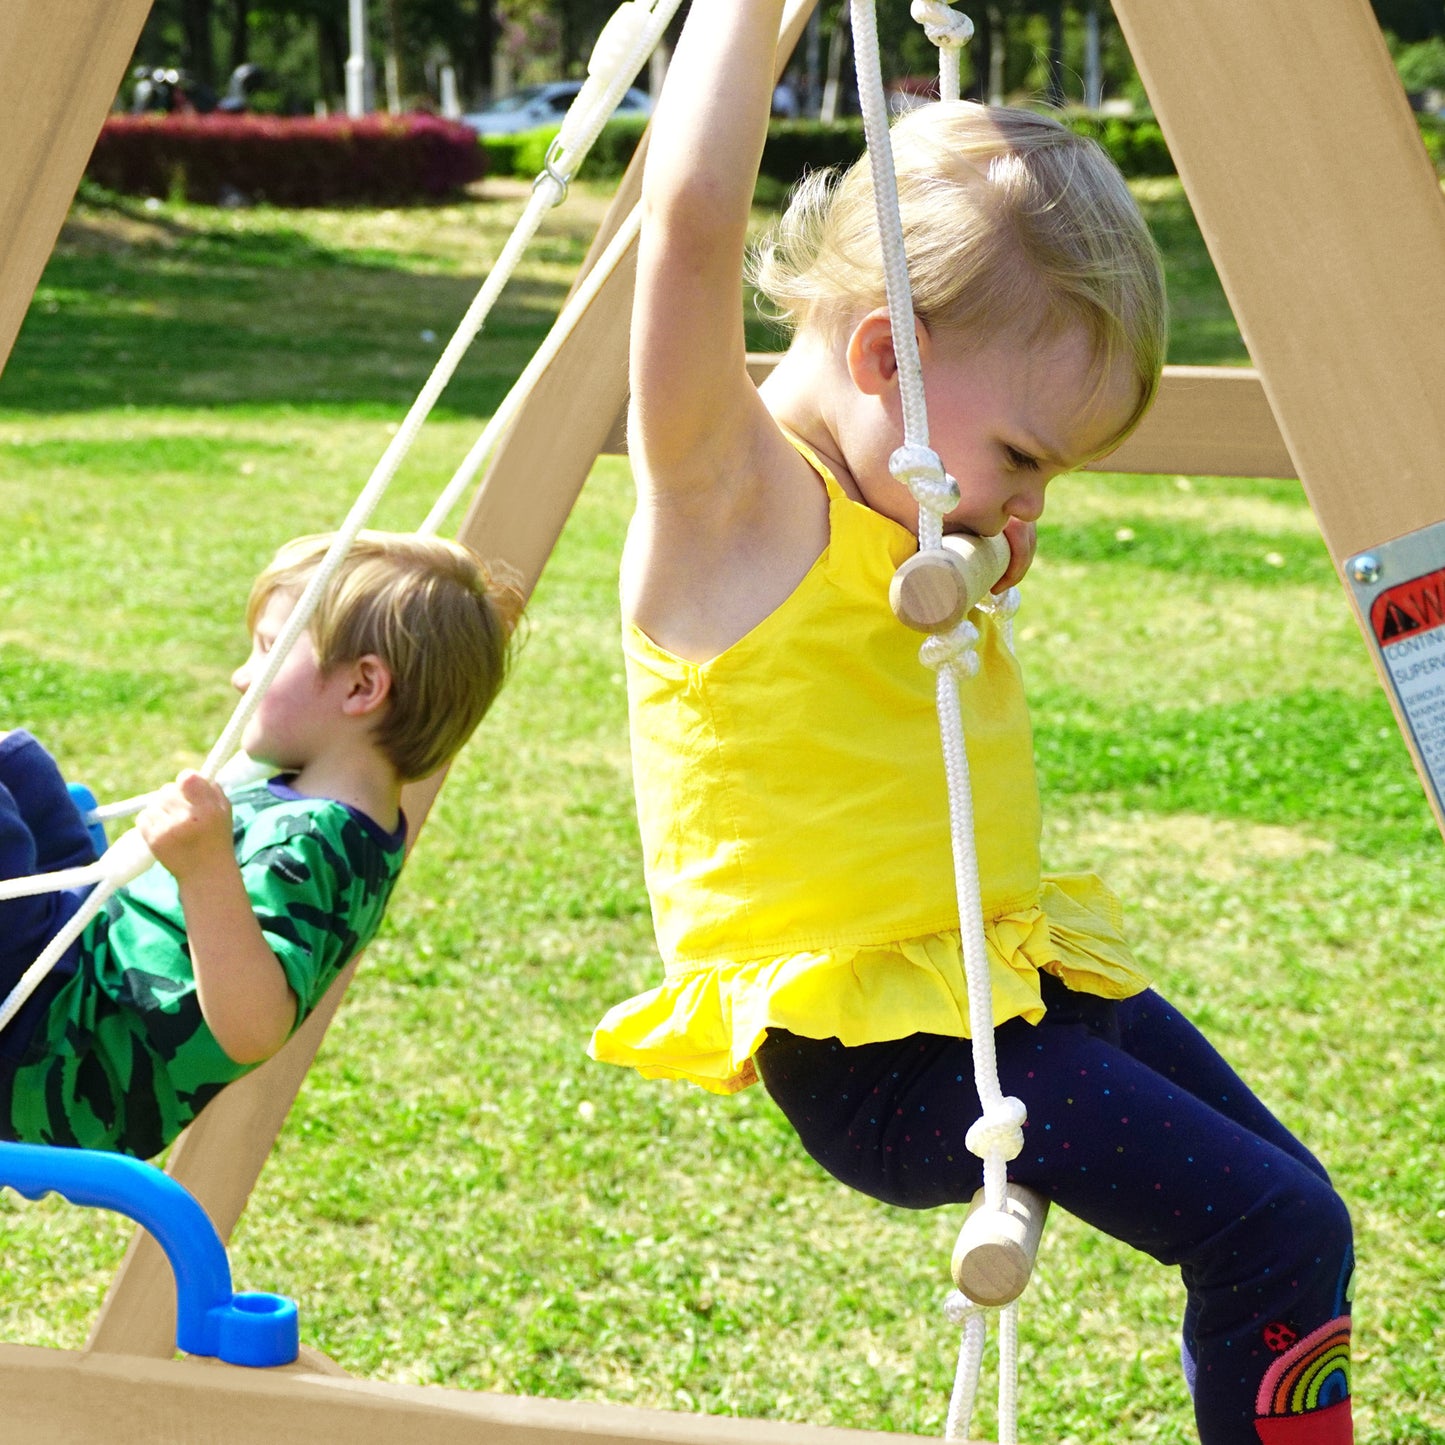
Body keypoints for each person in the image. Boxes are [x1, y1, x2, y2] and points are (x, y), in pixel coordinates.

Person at [586, 4, 1355, 1443]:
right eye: (1019, 460)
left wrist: (981, 517)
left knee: (1299, 1213)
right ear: (886, 359)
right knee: (1268, 1226)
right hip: (886, 1052)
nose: (1024, 509)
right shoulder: (729, 502)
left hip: (1012, 979)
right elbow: (688, 225)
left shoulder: (905, 504)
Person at [0, 530, 517, 1160]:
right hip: (77, 959)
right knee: (18, 765)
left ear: (361, 689)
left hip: (53, 1048)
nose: (241, 676)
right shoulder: (314, 788)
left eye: (269, 650)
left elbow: (254, 1027)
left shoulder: (320, 844)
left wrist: (206, 868)